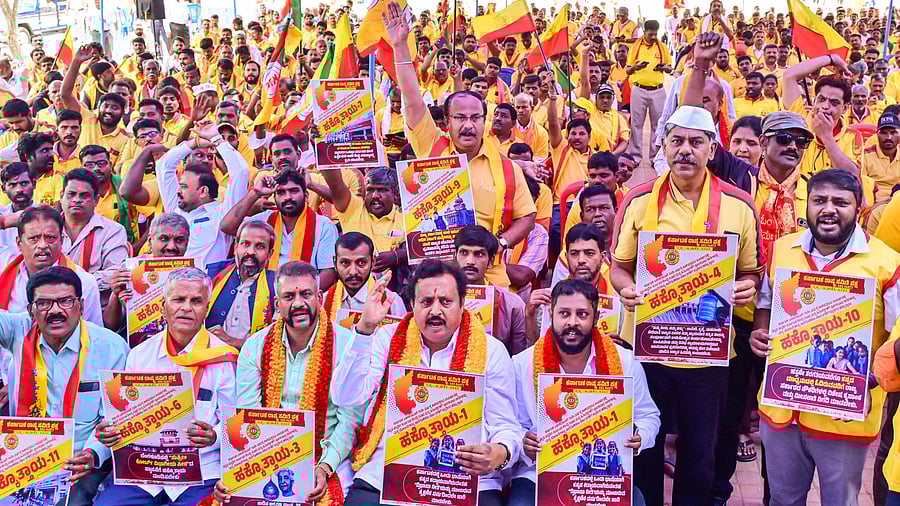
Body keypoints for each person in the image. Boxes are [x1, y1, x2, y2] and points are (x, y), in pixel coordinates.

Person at [611, 104, 762, 505]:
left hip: (708, 353)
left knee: (699, 451)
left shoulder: (739, 204)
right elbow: (620, 268)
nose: (685, 150)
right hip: (648, 347)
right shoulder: (638, 200)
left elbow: (751, 273)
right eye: (676, 140)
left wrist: (746, 288)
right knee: (644, 444)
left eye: (696, 142)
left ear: (712, 149)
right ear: (662, 146)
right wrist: (626, 289)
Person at [751, 169, 900, 506]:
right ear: (808, 205)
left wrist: (876, 376)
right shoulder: (782, 251)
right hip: (781, 409)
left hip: (843, 418)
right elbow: (764, 303)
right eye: (819, 200)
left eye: (840, 202)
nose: (828, 209)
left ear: (859, 206)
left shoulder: (887, 265)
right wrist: (760, 332)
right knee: (783, 501)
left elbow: (897, 336)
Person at [331, 260, 521, 506]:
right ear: (412, 305)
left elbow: (505, 425)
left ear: (463, 304)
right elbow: (345, 397)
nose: (435, 311)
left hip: (466, 481)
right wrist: (365, 328)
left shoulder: (491, 350)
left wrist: (501, 452)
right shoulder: (387, 338)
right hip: (387, 474)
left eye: (446, 301)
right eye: (426, 302)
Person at [383, 0, 536, 289]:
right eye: (460, 118)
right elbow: (413, 100)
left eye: (475, 117)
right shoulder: (433, 149)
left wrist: (501, 242)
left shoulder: (506, 168)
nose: (468, 125)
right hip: (437, 282)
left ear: (485, 121)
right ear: (447, 123)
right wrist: (400, 47)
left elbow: (527, 215)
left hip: (490, 284)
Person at [213, 261, 364, 502]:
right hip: (266, 454)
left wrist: (324, 467)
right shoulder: (255, 346)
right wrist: (236, 470)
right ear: (277, 304)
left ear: (319, 298)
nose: (298, 304)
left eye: (305, 294)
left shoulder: (347, 346)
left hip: (326, 455)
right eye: (288, 296)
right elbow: (247, 414)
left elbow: (349, 420)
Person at [93, 267, 237, 505]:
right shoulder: (140, 355)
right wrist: (109, 431)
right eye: (178, 299)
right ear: (163, 306)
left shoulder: (223, 358)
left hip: (201, 471)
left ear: (207, 308)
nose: (186, 308)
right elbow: (124, 416)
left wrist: (214, 437)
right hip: (143, 471)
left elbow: (233, 424)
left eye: (196, 301)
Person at [509, 279, 659, 506]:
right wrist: (523, 440)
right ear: (551, 314)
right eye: (564, 313)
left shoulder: (625, 363)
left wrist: (641, 436)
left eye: (582, 314)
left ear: (596, 318)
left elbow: (649, 417)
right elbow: (510, 423)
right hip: (538, 472)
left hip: (604, 478)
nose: (572, 322)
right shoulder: (522, 364)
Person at [0, 266, 128, 506]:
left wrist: (92, 454)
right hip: (22, 455)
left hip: (79, 457)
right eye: (44, 304)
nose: (56, 310)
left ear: (80, 305)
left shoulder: (111, 347)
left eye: (66, 301)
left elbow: (115, 417)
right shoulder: (19, 331)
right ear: (30, 310)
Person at [152, 121, 250, 272]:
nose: (178, 191)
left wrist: (217, 140)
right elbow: (163, 166)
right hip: (168, 287)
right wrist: (195, 143)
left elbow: (240, 172)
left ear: (203, 191)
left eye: (183, 187)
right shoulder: (175, 211)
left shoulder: (222, 215)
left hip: (207, 289)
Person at [220, 165, 337, 289]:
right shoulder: (264, 220)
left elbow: (328, 273)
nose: (288, 197)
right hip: (261, 297)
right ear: (274, 197)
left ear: (306, 195)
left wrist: (301, 297)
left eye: (294, 191)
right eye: (281, 192)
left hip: (303, 299)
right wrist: (256, 193)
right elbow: (227, 226)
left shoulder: (324, 225)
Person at [321, 166, 407, 291]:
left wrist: (397, 256)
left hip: (394, 293)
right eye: (370, 190)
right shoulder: (352, 208)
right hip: (352, 292)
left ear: (395, 194)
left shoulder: (406, 217)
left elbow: (427, 249)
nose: (375, 196)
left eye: (382, 190)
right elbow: (334, 180)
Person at [104, 213, 192, 331]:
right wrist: (115, 295)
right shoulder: (131, 270)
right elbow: (110, 325)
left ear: (187, 242)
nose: (171, 247)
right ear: (150, 241)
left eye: (179, 240)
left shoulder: (195, 275)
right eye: (164, 239)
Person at [781, 52, 860, 175]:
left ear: (844, 108)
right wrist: (832, 59)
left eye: (834, 103)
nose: (825, 107)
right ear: (814, 100)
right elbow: (788, 76)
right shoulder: (799, 117)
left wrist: (826, 137)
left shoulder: (853, 136)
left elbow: (852, 175)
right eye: (821, 99)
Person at [454, 225, 528, 355]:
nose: (470, 261)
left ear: (490, 261)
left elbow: (518, 356)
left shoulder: (513, 304)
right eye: (464, 253)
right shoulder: (440, 300)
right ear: (456, 257)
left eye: (479, 254)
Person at [205, 221, 277, 349]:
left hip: (254, 364)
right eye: (245, 244)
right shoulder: (211, 275)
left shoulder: (277, 285)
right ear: (235, 248)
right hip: (211, 362)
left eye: (260, 246)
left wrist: (231, 341)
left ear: (270, 254)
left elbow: (278, 342)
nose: (251, 252)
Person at [59, 168, 128, 302]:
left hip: (97, 309)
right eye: (71, 194)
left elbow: (116, 273)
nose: (77, 200)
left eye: (84, 195)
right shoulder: (48, 229)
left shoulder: (113, 231)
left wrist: (66, 285)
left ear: (96, 200)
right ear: (61, 196)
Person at [321, 232, 407, 320]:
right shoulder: (322, 303)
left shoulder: (392, 302)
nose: (353, 272)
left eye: (361, 263)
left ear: (373, 262)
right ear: (335, 263)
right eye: (345, 263)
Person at [626, 20, 671, 166]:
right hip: (638, 89)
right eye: (650, 34)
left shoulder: (662, 46)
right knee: (636, 124)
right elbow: (627, 70)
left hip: (658, 90)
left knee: (657, 125)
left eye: (655, 34)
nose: (653, 37)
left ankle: (654, 157)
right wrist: (636, 67)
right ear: (644, 32)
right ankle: (635, 157)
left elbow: (670, 68)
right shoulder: (636, 47)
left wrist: (664, 68)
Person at [863, 113, 900, 202]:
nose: (889, 137)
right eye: (883, 133)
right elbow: (862, 186)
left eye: (893, 132)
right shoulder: (865, 155)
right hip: (872, 204)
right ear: (877, 134)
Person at [0, 162, 34, 252]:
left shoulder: (46, 215)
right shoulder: (1, 214)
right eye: (13, 185)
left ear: (34, 184)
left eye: (24, 183)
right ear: (3, 188)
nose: (19, 190)